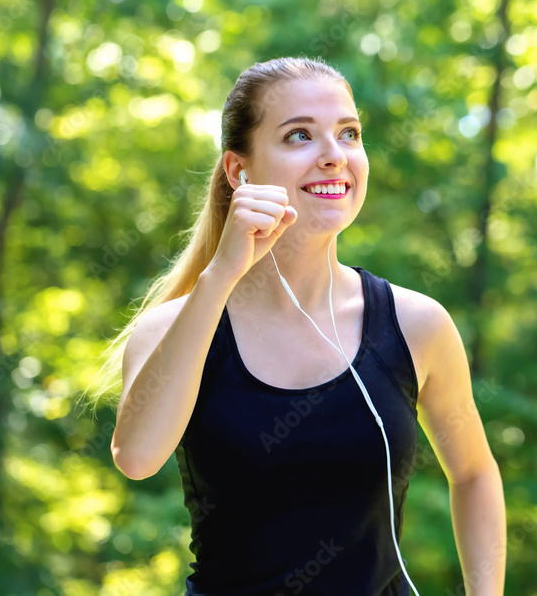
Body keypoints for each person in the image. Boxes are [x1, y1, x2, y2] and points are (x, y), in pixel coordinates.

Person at [98, 57, 506, 595]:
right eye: (299, 136)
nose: (334, 157)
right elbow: (136, 457)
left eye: (349, 134)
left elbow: (474, 475)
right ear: (238, 171)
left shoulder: (416, 324)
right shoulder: (172, 328)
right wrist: (220, 276)